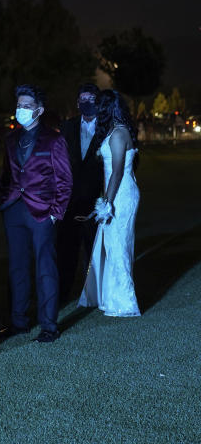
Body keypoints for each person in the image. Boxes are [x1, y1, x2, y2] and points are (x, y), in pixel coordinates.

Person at [0, 84, 72, 343]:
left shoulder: (54, 139)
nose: (21, 110)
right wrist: (4, 201)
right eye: (18, 105)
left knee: (45, 268)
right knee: (17, 267)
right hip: (14, 211)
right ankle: (19, 321)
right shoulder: (10, 139)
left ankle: (49, 325)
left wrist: (56, 213)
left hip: (42, 212)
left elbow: (65, 180)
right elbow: (6, 176)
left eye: (26, 106)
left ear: (39, 110)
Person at [78, 90, 141, 317]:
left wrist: (107, 203)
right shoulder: (116, 131)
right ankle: (109, 297)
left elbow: (116, 172)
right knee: (111, 245)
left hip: (121, 195)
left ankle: (124, 302)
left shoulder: (117, 134)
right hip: (117, 191)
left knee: (118, 245)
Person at [57, 83, 104, 300]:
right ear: (77, 103)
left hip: (97, 200)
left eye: (90, 99)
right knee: (67, 250)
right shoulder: (68, 126)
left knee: (94, 248)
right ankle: (64, 292)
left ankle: (96, 292)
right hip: (70, 200)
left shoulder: (107, 127)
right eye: (82, 99)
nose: (86, 103)